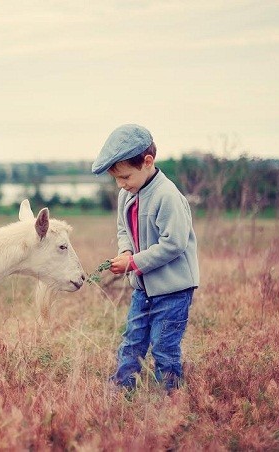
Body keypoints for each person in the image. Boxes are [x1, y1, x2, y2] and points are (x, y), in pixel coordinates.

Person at [91, 124, 200, 393]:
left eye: (125, 176)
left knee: (164, 345)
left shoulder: (167, 196)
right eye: (116, 179)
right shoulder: (126, 195)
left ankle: (170, 394)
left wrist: (133, 263)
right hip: (143, 287)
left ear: (148, 162)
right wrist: (126, 252)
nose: (121, 184)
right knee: (133, 340)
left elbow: (173, 244)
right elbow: (123, 230)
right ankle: (123, 385)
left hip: (173, 290)